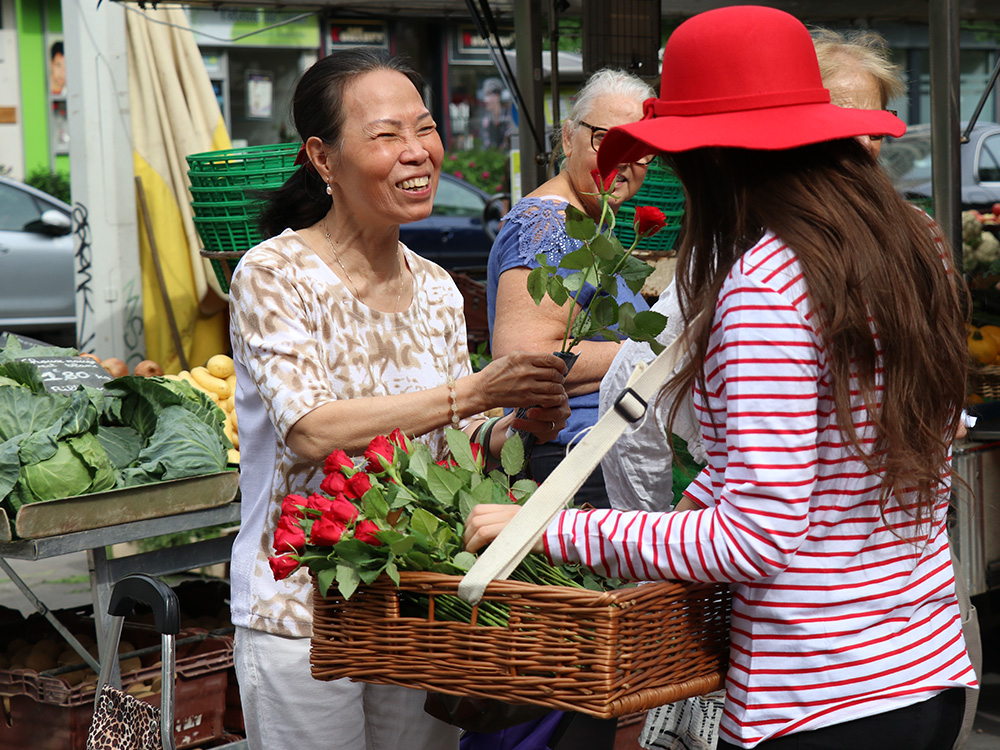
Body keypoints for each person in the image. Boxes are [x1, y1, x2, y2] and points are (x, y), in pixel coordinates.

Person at [466, 6, 976, 750]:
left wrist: (552, 528)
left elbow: (755, 538)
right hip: (923, 673)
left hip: (819, 698)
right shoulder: (904, 248)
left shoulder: (768, 284)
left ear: (712, 157)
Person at [227, 47, 570, 750]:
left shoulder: (438, 287)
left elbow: (453, 449)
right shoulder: (274, 274)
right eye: (386, 135)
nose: (417, 153)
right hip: (300, 609)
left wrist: (518, 426)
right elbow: (312, 430)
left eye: (425, 129)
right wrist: (472, 390)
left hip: (412, 593)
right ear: (323, 159)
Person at [487, 68, 655, 506]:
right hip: (573, 459)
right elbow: (522, 361)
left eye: (641, 148)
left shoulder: (588, 221)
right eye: (606, 138)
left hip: (598, 453)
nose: (624, 160)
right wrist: (651, 353)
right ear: (567, 138)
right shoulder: (549, 225)